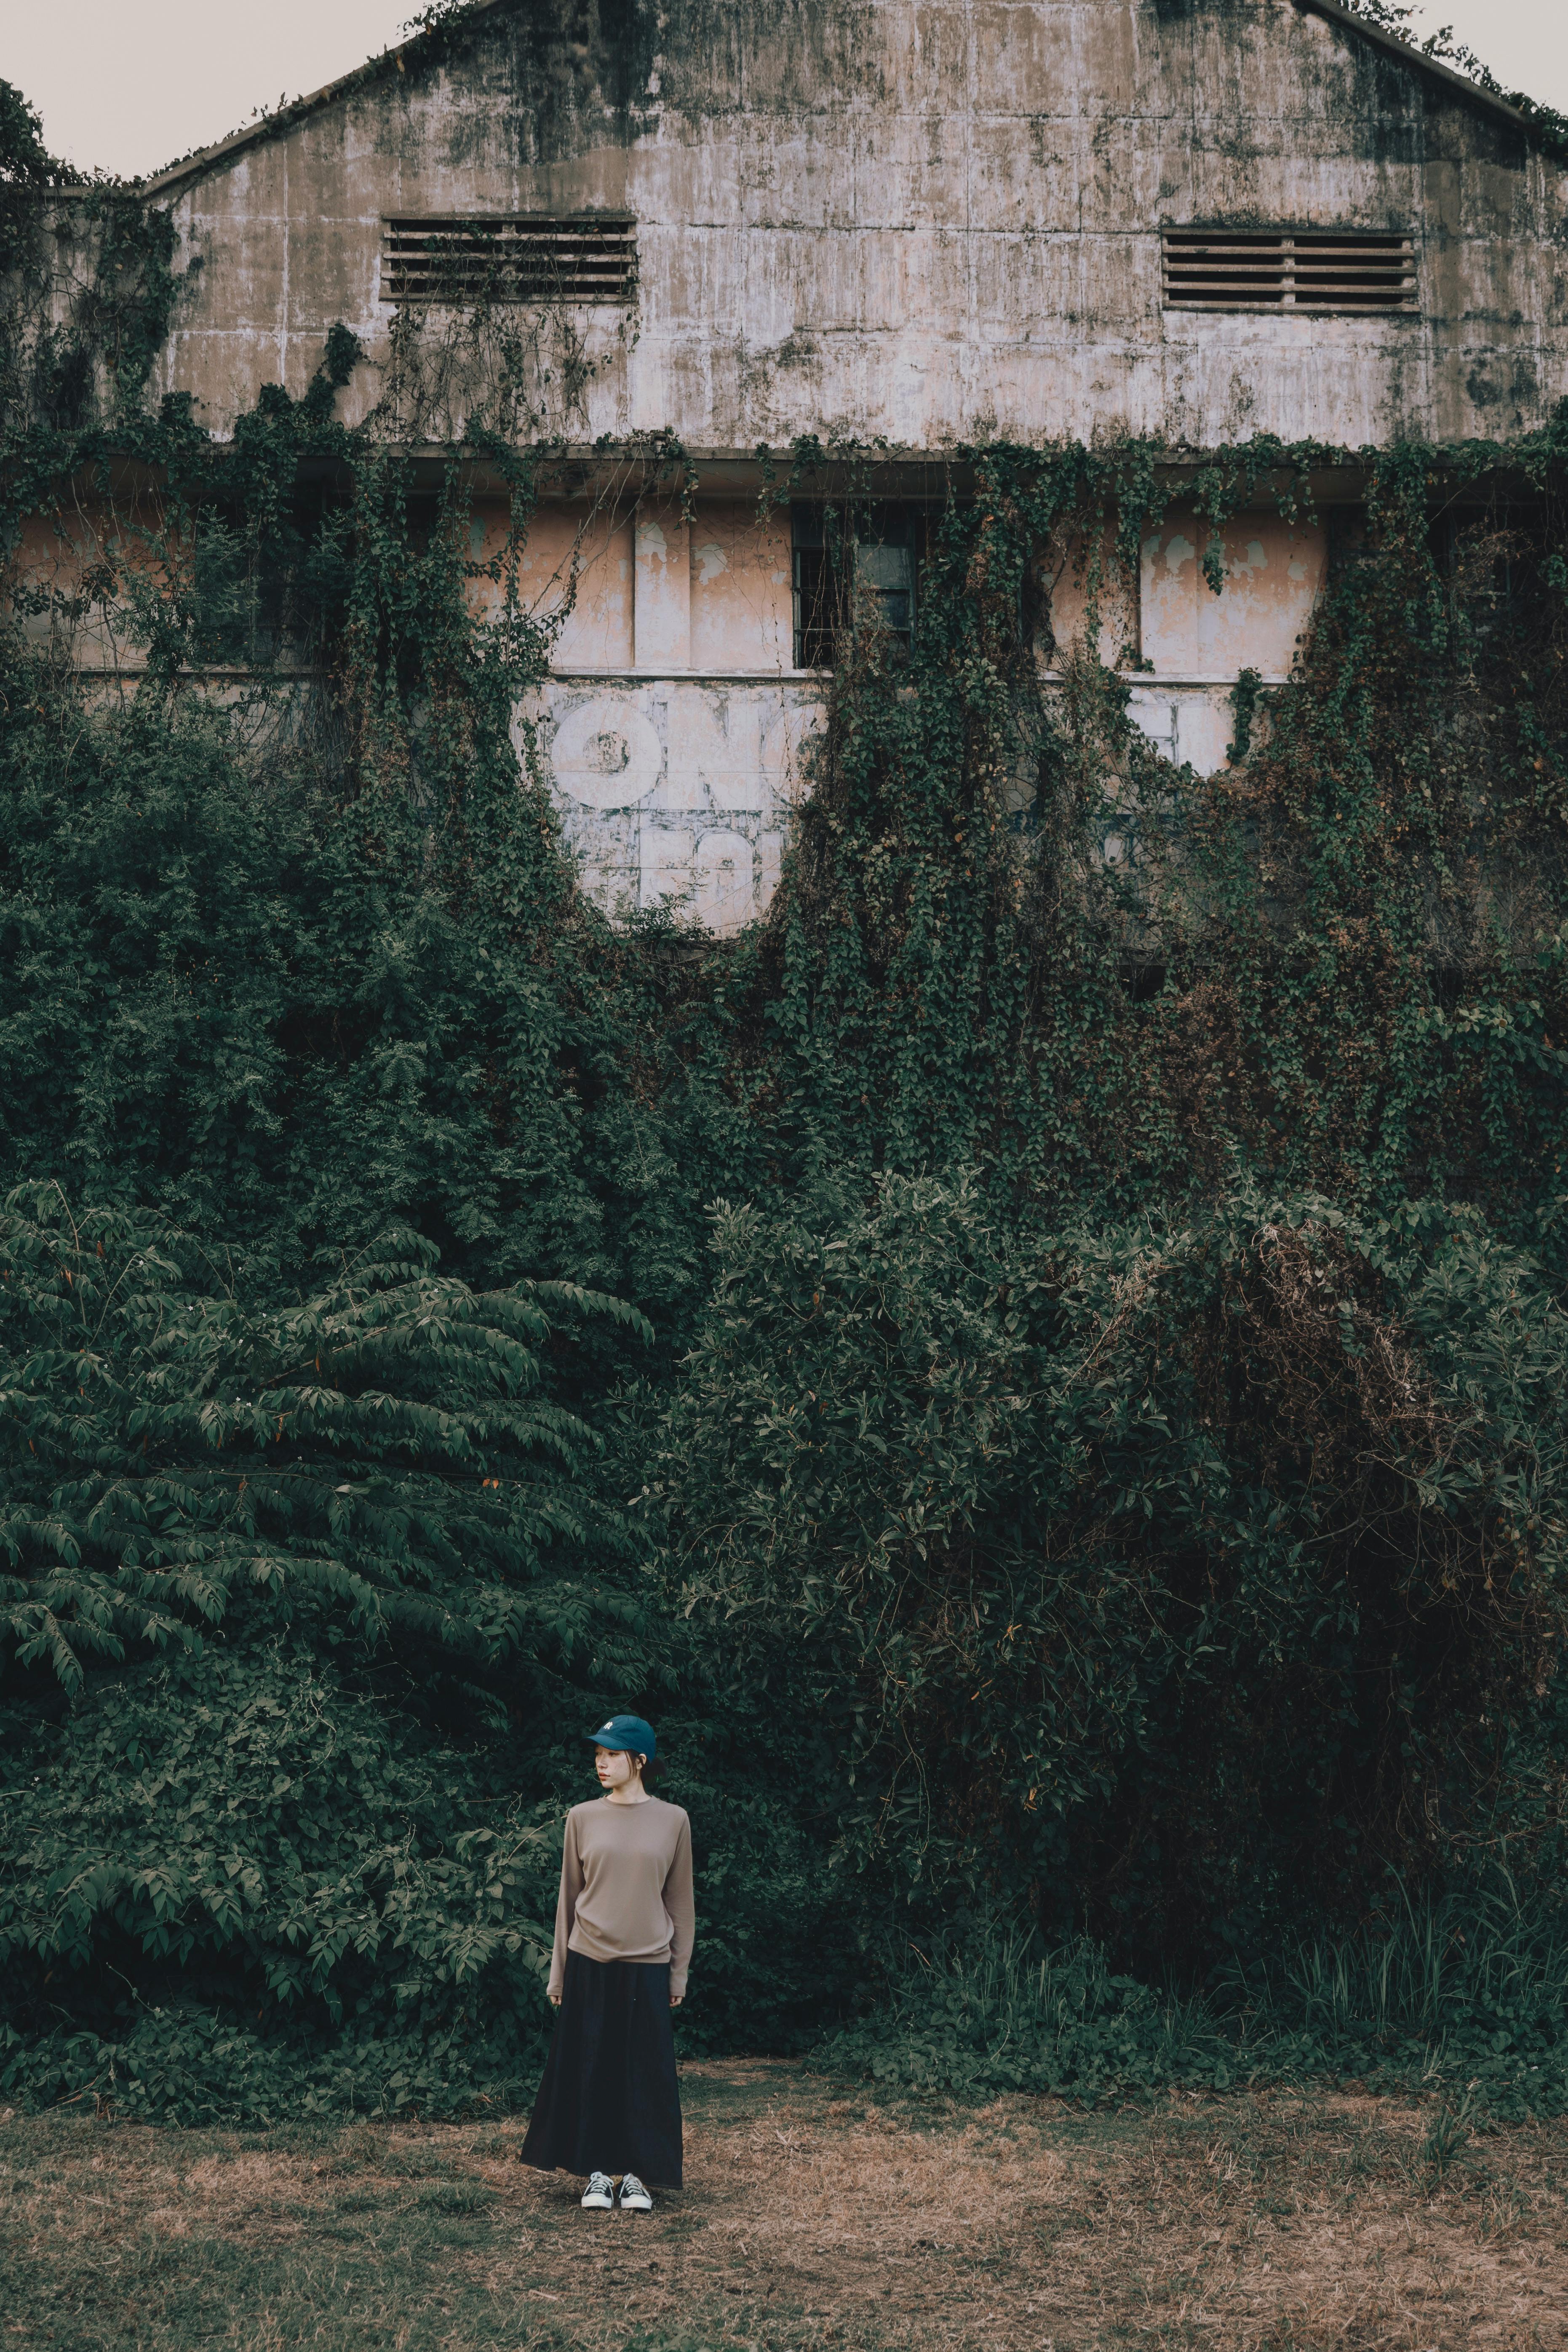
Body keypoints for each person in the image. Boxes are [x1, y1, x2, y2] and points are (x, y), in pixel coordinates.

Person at [520, 1712, 694, 2212]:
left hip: (648, 1964)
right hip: (589, 1961)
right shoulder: (582, 1816)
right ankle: (596, 2174)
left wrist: (677, 1971)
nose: (601, 1761)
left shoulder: (674, 1819)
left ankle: (638, 2176)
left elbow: (681, 1901)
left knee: (645, 2072)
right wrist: (559, 1973)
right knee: (591, 2067)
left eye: (612, 1753)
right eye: (598, 1753)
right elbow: (568, 1899)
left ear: (639, 1760)